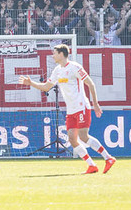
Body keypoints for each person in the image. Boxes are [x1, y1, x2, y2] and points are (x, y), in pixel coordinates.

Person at [21, 43, 116, 174]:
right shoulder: (57, 70)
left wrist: (95, 103)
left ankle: (108, 158)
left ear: (61, 54)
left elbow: (91, 84)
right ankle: (91, 165)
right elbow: (46, 87)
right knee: (72, 138)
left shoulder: (75, 67)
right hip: (71, 110)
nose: (52, 55)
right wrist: (31, 83)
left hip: (81, 106)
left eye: (54, 53)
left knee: (83, 136)